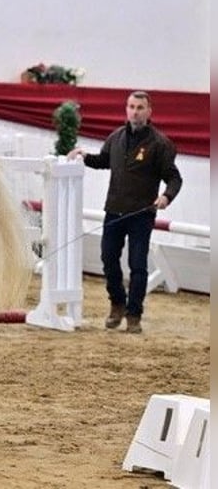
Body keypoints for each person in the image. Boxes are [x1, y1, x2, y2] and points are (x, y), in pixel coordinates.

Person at [68, 91, 182, 333]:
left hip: (141, 214)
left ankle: (134, 314)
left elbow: (174, 177)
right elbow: (103, 161)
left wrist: (166, 196)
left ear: (149, 111)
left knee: (137, 265)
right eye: (131, 106)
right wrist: (84, 155)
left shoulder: (160, 144)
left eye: (140, 107)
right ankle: (117, 303)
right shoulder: (116, 137)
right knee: (108, 260)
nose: (135, 111)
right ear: (126, 109)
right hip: (114, 210)